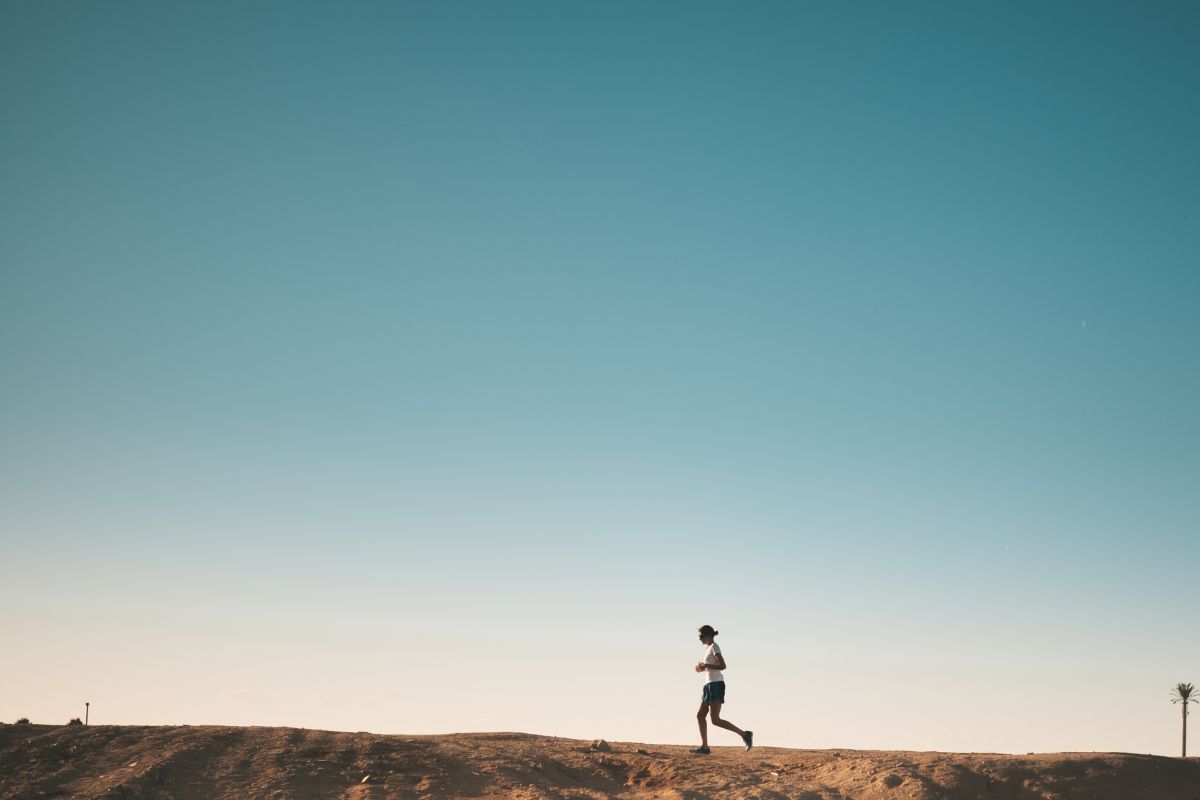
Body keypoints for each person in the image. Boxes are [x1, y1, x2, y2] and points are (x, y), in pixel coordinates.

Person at [690, 624, 753, 754]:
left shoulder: (714, 647)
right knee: (700, 715)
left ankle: (745, 734)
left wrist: (705, 665)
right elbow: (711, 667)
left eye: (701, 636)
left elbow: (722, 665)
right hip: (708, 684)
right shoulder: (708, 649)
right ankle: (705, 747)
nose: (699, 638)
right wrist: (701, 668)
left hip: (716, 685)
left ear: (708, 635)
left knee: (715, 720)